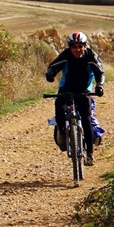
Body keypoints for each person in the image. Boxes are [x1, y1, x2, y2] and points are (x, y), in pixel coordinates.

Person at [46, 31, 104, 164]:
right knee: (59, 106)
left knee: (86, 119)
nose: (78, 49)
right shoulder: (66, 55)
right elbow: (53, 66)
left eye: (80, 46)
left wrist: (100, 85)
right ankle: (62, 132)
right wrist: (50, 74)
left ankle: (89, 153)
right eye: (74, 47)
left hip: (84, 90)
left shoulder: (91, 56)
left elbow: (100, 72)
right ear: (70, 47)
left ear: (85, 46)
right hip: (66, 88)